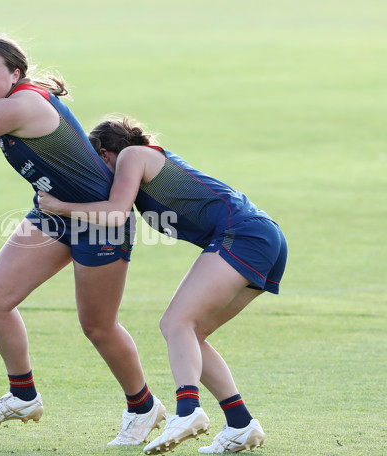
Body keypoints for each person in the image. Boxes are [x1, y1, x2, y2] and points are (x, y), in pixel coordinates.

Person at [0, 34, 166, 445]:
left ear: (16, 74)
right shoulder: (8, 107)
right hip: (55, 212)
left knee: (97, 326)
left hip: (98, 220)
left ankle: (144, 407)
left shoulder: (21, 106)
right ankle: (23, 396)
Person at [37, 116, 288, 454]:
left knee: (175, 323)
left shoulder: (132, 156)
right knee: (191, 333)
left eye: (96, 162)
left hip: (244, 235)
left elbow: (115, 212)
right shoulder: (141, 164)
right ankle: (241, 423)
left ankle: (187, 411)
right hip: (260, 237)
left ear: (106, 154)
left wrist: (59, 206)